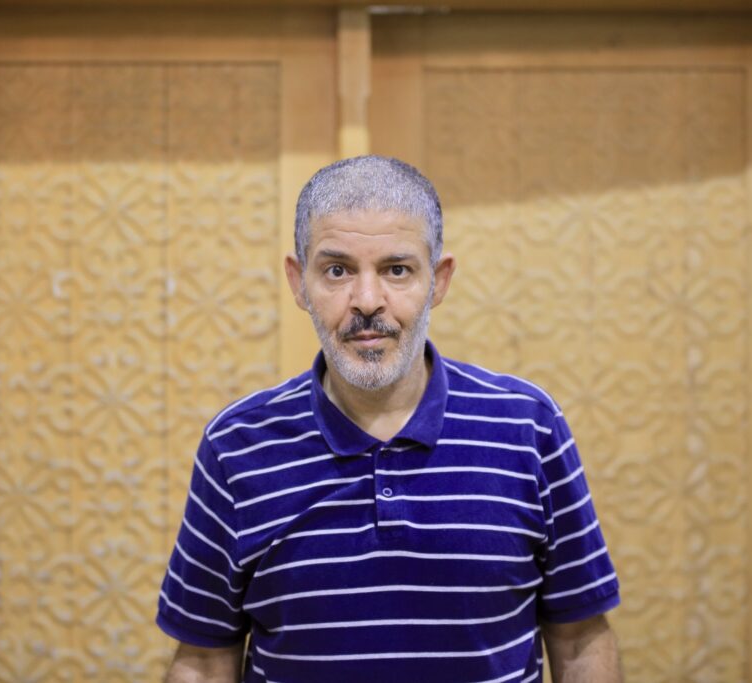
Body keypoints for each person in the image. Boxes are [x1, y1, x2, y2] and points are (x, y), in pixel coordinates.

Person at [157, 155, 622, 683]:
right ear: (299, 281)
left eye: (397, 270)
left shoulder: (529, 427)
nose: (367, 301)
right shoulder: (235, 446)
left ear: (438, 281)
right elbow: (204, 661)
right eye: (337, 270)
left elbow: (580, 640)